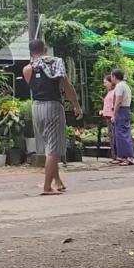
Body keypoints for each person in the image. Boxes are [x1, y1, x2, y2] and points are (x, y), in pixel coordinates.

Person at [23, 39, 83, 195]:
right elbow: (66, 85)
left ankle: (57, 181)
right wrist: (76, 105)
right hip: (53, 106)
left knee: (50, 145)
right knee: (53, 150)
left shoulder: (27, 69)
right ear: (45, 49)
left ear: (31, 52)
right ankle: (47, 187)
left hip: (36, 107)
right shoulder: (55, 63)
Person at [109, 69, 134, 165]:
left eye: (111, 76)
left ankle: (127, 157)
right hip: (126, 109)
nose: (111, 78)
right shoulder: (125, 85)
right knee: (120, 133)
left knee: (122, 133)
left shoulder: (119, 86)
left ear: (114, 77)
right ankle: (121, 156)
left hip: (122, 110)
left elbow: (118, 101)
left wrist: (114, 113)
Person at [99, 75, 117, 163]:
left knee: (114, 135)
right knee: (111, 136)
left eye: (106, 82)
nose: (104, 84)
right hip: (107, 116)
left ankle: (116, 156)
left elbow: (114, 105)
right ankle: (114, 156)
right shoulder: (109, 92)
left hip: (112, 116)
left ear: (111, 82)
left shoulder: (114, 92)